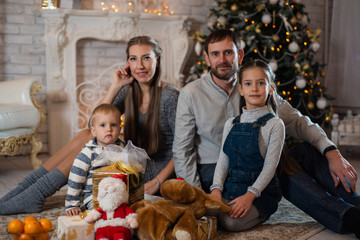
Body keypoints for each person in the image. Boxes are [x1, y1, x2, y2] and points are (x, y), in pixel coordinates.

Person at [173, 29, 360, 237]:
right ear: (207, 58)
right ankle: (347, 218)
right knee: (279, 172)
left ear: (240, 55)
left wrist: (332, 151)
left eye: (228, 53)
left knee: (305, 152)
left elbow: (297, 121)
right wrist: (199, 199)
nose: (222, 60)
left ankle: (356, 204)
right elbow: (182, 152)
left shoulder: (256, 85)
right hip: (217, 169)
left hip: (259, 161)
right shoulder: (190, 93)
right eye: (215, 54)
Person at [0, 36, 178, 215]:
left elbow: (183, 148)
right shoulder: (128, 90)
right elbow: (92, 124)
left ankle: (36, 193)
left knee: (91, 141)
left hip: (153, 170)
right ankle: (27, 188)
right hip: (131, 160)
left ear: (158, 60)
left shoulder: (169, 97)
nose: (139, 65)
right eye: (133, 59)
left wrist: (157, 182)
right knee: (88, 134)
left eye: (146, 58)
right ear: (127, 63)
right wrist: (116, 85)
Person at [210, 59, 285, 231]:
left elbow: (270, 168)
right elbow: (223, 160)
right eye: (248, 84)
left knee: (231, 222)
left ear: (270, 88)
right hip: (232, 185)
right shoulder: (231, 123)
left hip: (260, 192)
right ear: (241, 89)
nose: (254, 88)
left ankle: (262, 212)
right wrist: (216, 190)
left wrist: (250, 195)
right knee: (202, 211)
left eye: (260, 83)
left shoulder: (275, 124)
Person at [65, 104, 123, 216]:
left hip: (118, 193)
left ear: (120, 129)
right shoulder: (88, 153)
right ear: (93, 131)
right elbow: (75, 179)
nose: (109, 129)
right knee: (105, 213)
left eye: (114, 125)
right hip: (95, 196)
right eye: (102, 125)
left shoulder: (122, 148)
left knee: (130, 208)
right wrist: (72, 204)